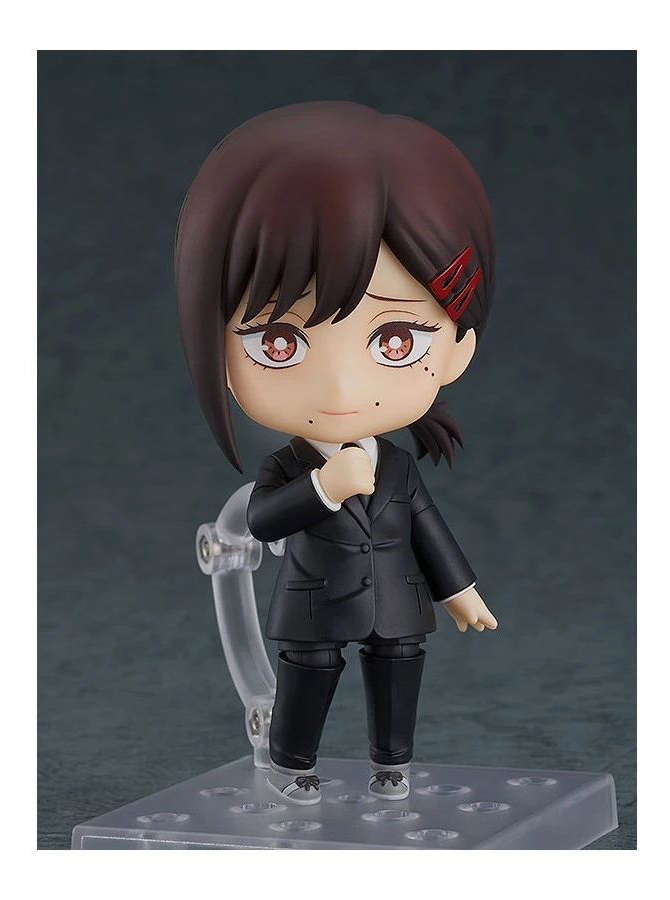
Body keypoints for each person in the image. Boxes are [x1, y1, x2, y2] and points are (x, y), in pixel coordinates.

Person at [176, 101, 498, 805]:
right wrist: (324, 488)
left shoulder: (399, 467)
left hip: (397, 600)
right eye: (280, 342)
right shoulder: (290, 466)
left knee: (399, 667)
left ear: (456, 348)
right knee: (309, 676)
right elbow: (260, 520)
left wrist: (459, 591)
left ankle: (393, 764)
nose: (343, 387)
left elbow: (429, 530)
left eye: (395, 341)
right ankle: (293, 765)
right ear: (218, 355)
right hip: (314, 607)